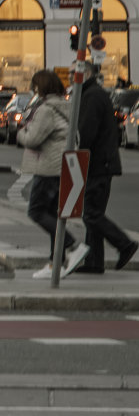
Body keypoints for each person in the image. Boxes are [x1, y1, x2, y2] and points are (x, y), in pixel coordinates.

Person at [16, 69, 88, 279]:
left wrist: (21, 131)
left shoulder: (46, 109)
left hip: (48, 167)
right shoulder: (66, 106)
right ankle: (54, 264)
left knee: (37, 211)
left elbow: (33, 139)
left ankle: (73, 246)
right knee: (54, 217)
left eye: (35, 86)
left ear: (40, 87)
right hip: (63, 167)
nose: (33, 89)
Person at [72, 61, 138, 274]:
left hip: (99, 163)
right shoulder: (93, 94)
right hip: (101, 162)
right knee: (93, 212)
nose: (71, 75)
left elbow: (86, 133)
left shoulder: (92, 96)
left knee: (91, 213)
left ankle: (124, 244)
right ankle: (94, 262)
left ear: (87, 73)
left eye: (74, 72)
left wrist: (75, 151)